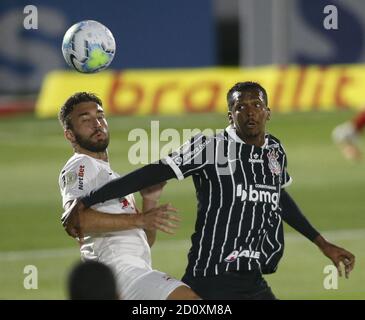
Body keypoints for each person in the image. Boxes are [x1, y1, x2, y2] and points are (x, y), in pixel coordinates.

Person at [62, 83, 355, 300]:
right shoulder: (211, 148)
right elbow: (155, 170)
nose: (250, 112)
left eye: (256, 105)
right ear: (230, 115)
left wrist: (322, 243)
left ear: (268, 112)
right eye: (241, 107)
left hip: (251, 274)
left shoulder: (274, 152)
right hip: (212, 274)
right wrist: (88, 201)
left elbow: (278, 196)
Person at [58, 92, 200, 300]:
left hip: (133, 274)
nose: (97, 123)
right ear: (70, 135)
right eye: (85, 119)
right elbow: (75, 220)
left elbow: (144, 241)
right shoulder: (80, 164)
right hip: (119, 274)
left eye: (100, 116)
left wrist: (150, 200)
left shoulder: (113, 179)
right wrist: (140, 218)